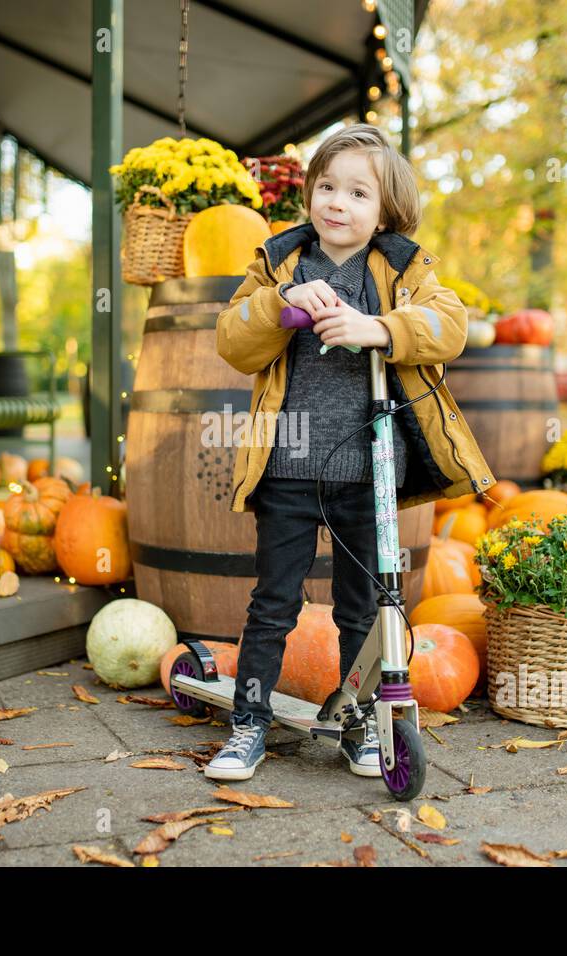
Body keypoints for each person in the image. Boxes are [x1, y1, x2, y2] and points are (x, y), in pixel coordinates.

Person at [206, 124, 496, 781]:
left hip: (367, 472)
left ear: (385, 209)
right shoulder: (281, 261)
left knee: (360, 607)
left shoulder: (401, 268)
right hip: (287, 467)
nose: (338, 202)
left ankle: (359, 722)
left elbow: (450, 324)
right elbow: (232, 337)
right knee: (272, 602)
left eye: (358, 192)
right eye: (327, 186)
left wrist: (380, 328)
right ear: (310, 194)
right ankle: (247, 723)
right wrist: (280, 304)